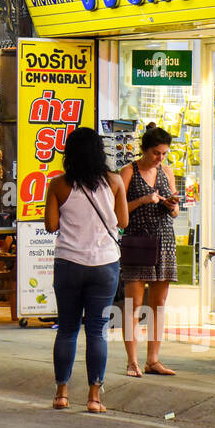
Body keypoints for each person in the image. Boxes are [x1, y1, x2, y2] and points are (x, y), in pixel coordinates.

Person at [44, 127, 130, 413]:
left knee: (67, 329)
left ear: (69, 154)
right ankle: (94, 397)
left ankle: (61, 393)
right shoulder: (115, 181)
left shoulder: (58, 184)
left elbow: (51, 225)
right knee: (97, 331)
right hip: (104, 265)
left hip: (68, 264)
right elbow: (123, 222)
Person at [119, 125, 179, 378]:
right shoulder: (128, 172)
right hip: (138, 241)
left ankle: (153, 359)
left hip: (164, 241)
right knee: (134, 304)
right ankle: (132, 361)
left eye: (164, 153)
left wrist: (171, 205)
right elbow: (117, 212)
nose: (160, 158)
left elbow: (175, 212)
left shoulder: (167, 171)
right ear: (144, 149)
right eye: (156, 153)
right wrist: (143, 200)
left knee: (159, 304)